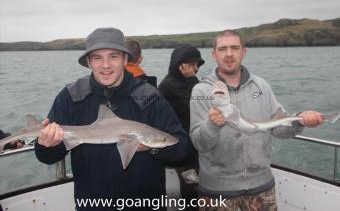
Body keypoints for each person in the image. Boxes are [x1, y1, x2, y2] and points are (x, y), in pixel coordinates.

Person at [34, 27, 190, 211]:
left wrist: (152, 148)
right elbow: (47, 157)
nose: (105, 65)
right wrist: (46, 145)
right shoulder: (71, 97)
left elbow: (182, 149)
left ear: (125, 59)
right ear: (89, 62)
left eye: (113, 56)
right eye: (97, 57)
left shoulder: (148, 97)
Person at [189, 30, 324, 211]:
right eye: (222, 49)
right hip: (217, 192)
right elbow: (199, 143)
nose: (229, 54)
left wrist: (300, 121)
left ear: (244, 52)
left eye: (235, 48)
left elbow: (279, 128)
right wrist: (212, 125)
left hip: (261, 187)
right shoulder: (201, 91)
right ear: (214, 54)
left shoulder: (261, 86)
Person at [158, 44, 205, 211]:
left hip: (192, 150)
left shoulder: (182, 83)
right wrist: (192, 79)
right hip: (184, 154)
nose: (196, 68)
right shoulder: (170, 85)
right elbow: (197, 106)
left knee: (196, 191)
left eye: (197, 64)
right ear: (181, 64)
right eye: (191, 64)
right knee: (192, 191)